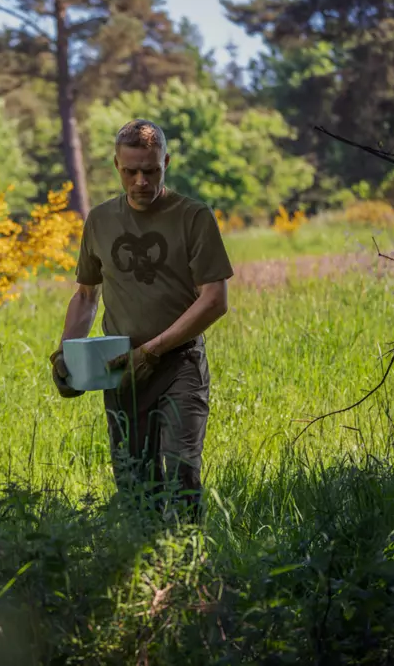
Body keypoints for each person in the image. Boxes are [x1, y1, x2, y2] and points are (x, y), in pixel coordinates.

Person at [50, 119, 234, 520]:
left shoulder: (193, 217)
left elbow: (215, 300)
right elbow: (85, 296)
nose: (140, 181)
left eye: (150, 171)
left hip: (179, 365)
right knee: (135, 484)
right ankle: (143, 571)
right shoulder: (99, 220)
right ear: (116, 165)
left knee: (181, 471)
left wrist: (152, 351)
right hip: (119, 369)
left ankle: (189, 565)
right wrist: (67, 355)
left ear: (165, 162)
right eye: (131, 171)